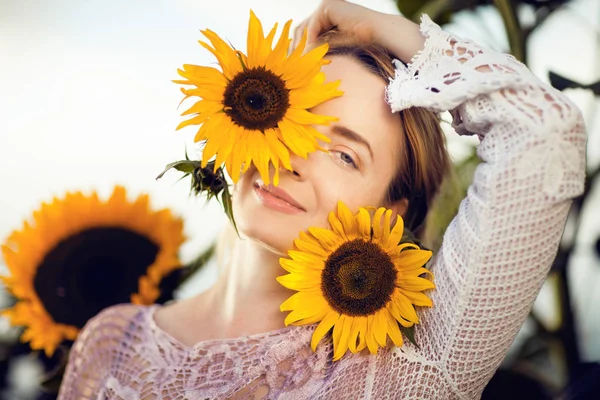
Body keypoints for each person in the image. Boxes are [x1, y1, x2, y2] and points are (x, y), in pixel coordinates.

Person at [58, 0, 587, 398]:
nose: (294, 157)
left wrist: (392, 31)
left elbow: (546, 132)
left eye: (344, 156)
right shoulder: (113, 341)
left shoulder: (405, 371)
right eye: (293, 117)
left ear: (390, 213)